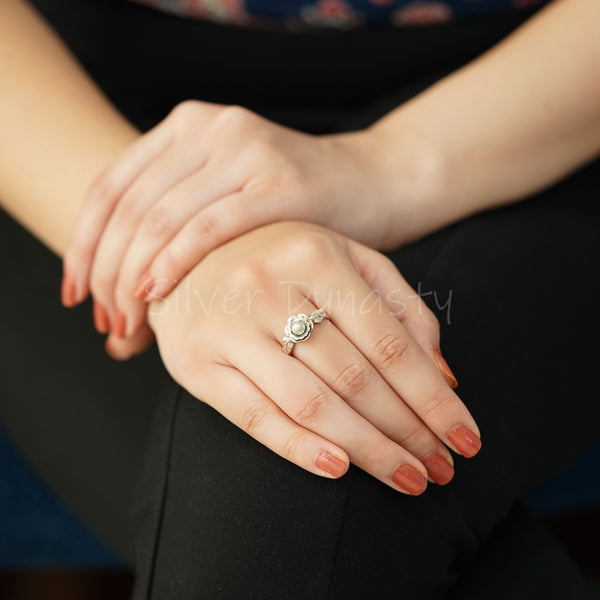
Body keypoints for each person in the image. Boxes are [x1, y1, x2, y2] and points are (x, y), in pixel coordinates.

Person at [0, 0, 599, 597]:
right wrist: (166, 233)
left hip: (528, 104)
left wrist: (388, 164)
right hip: (62, 117)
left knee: (303, 488)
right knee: (290, 488)